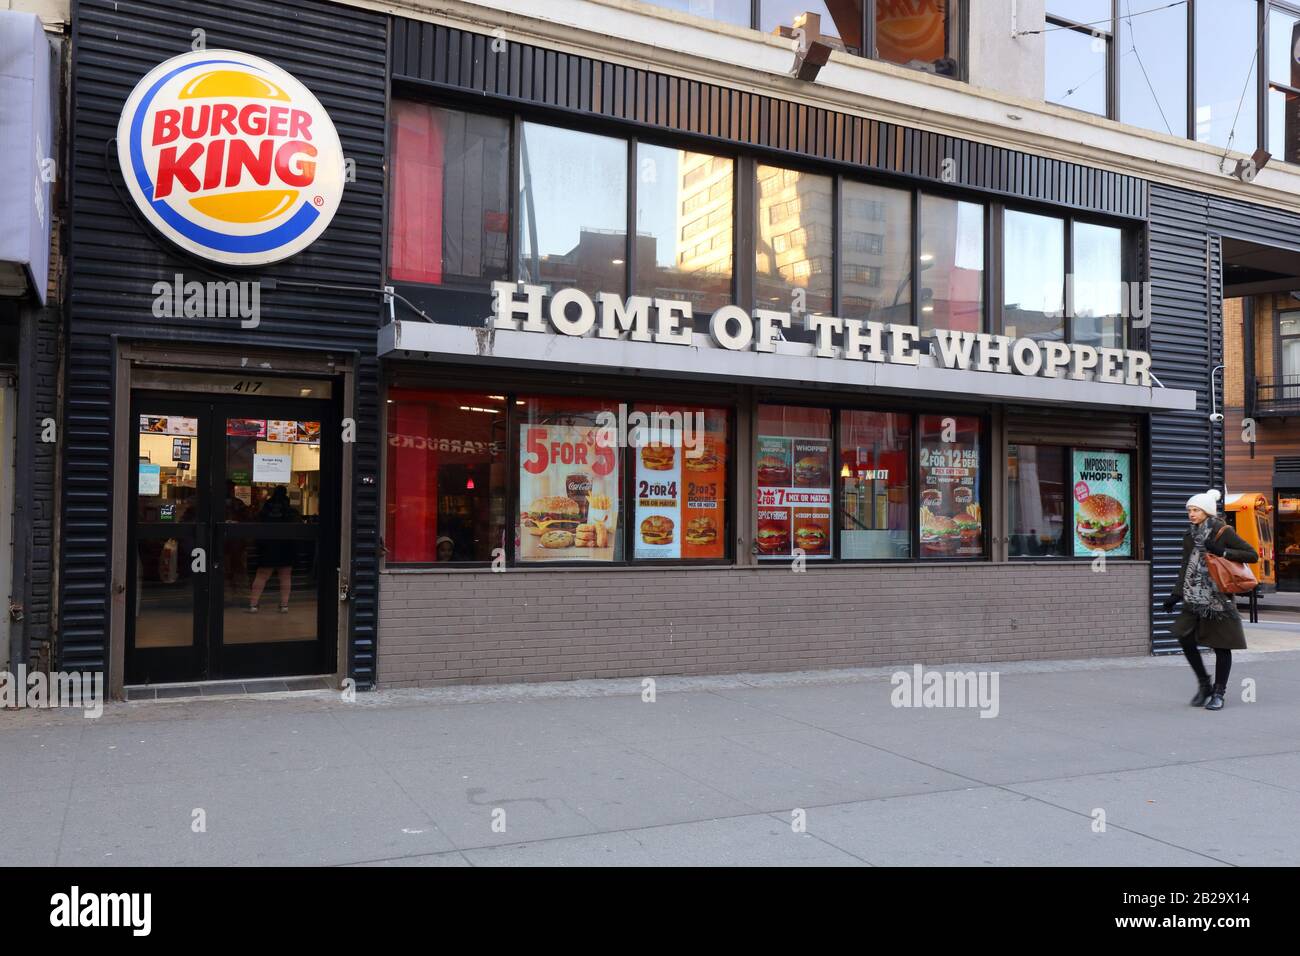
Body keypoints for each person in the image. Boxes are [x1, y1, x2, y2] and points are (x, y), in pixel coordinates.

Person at [1161, 489, 1258, 711]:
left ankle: (1219, 692)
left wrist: (1223, 552)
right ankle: (1204, 684)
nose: (1191, 514)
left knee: (1222, 646)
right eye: (1189, 510)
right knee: (1184, 638)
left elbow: (1252, 554)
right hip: (1193, 597)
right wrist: (1176, 595)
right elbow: (1186, 566)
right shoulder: (1190, 535)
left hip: (1218, 600)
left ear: (1207, 511)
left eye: (1195, 510)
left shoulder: (1223, 531)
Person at [248, 486, 299, 613]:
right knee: (285, 575)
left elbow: (258, 523)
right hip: (286, 545)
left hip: (268, 544)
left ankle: (253, 604)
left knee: (262, 575)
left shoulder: (267, 507)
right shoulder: (289, 510)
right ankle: (284, 605)